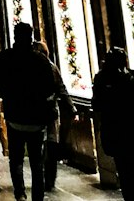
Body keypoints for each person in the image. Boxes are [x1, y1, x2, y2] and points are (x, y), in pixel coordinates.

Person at [0, 22, 60, 201]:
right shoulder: (40, 60)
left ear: (14, 36)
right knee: (37, 163)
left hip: (14, 116)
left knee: (16, 159)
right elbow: (50, 87)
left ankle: (20, 193)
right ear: (30, 37)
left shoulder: (4, 58)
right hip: (36, 119)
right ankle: (37, 196)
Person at [92, 47, 134, 201]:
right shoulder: (130, 79)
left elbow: (97, 105)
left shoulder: (102, 79)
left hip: (117, 134)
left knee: (125, 172)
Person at [34, 39, 76, 190]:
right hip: (50, 112)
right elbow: (61, 88)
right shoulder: (51, 67)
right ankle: (49, 180)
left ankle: (40, 177)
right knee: (51, 145)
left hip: (35, 113)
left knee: (39, 147)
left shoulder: (29, 69)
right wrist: (72, 108)